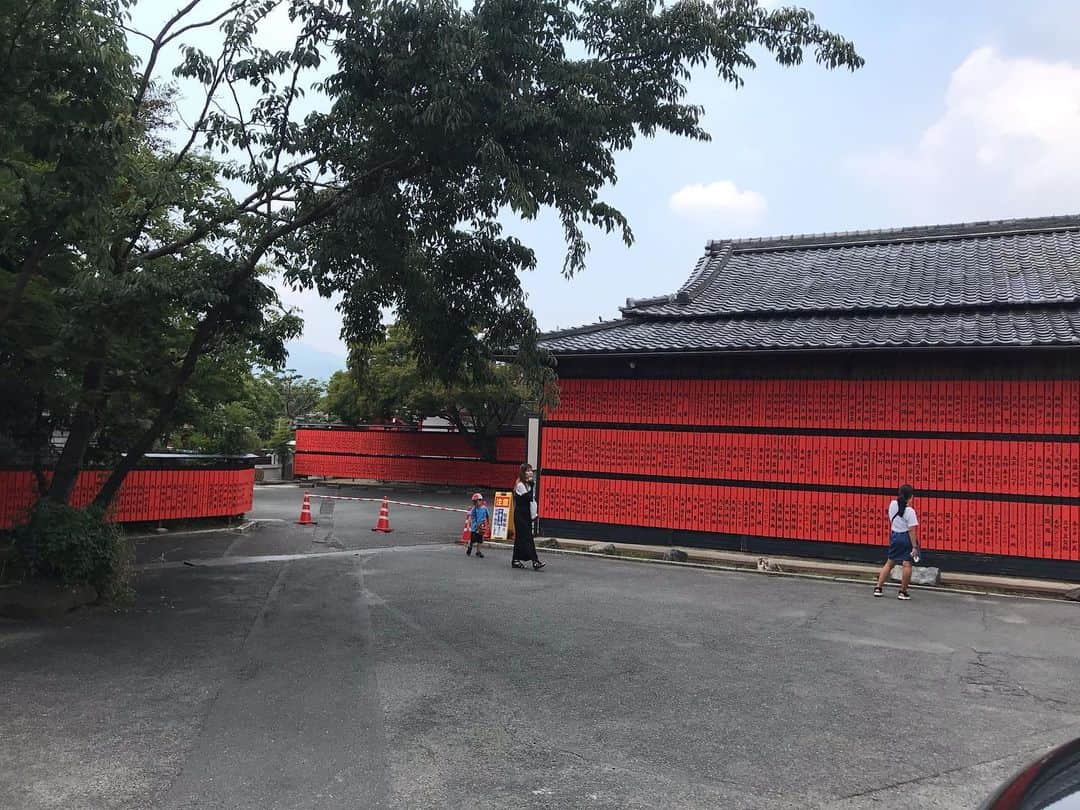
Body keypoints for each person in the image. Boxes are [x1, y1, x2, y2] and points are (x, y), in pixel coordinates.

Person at [874, 483, 920, 600]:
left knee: (889, 563)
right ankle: (902, 592)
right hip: (905, 538)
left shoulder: (892, 504)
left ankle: (878, 588)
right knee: (907, 564)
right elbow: (911, 530)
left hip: (894, 536)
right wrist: (914, 546)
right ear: (911, 497)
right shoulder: (910, 511)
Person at [511, 463, 544, 570]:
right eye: (527, 471)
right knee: (528, 538)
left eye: (530, 470)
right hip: (520, 515)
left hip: (526, 514)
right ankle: (535, 561)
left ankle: (515, 560)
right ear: (523, 473)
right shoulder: (520, 485)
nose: (530, 473)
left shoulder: (528, 484)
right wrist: (533, 485)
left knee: (520, 539)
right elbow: (528, 498)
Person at [466, 492, 488, 558]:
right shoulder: (474, 509)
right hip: (474, 527)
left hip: (481, 526)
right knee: (473, 539)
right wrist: (468, 525)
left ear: (481, 501)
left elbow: (487, 516)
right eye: (474, 502)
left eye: (476, 501)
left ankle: (478, 551)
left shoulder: (484, 508)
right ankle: (470, 546)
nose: (475, 503)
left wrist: (488, 524)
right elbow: (470, 517)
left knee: (480, 540)